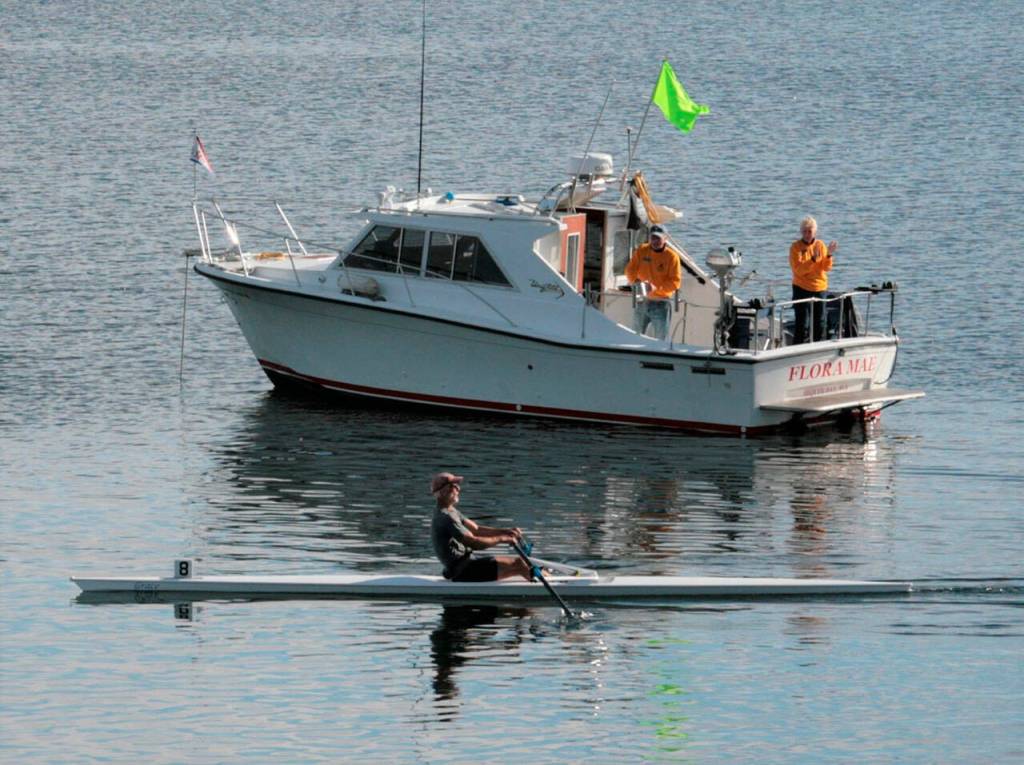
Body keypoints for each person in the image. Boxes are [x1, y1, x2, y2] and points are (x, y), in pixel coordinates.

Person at [430, 472, 533, 582]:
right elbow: (474, 542)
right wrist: (502, 539)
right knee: (521, 565)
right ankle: (540, 590)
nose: (458, 489)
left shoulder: (451, 510)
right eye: (453, 486)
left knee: (521, 563)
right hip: (462, 570)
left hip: (466, 564)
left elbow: (476, 529)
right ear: (442, 492)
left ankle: (540, 578)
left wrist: (507, 532)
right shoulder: (446, 517)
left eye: (457, 485)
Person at [625, 224, 682, 340]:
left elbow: (675, 282)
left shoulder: (672, 257)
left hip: (661, 303)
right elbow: (630, 269)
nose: (655, 241)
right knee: (635, 335)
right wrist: (635, 282)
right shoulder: (642, 250)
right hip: (642, 301)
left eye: (658, 238)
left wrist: (656, 288)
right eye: (653, 238)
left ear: (665, 239)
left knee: (661, 338)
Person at [789, 216, 838, 344]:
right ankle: (798, 349)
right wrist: (812, 260)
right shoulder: (796, 247)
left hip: (819, 288)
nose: (807, 234)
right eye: (804, 231)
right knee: (802, 323)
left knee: (820, 322)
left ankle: (819, 347)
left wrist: (829, 255)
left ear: (815, 232)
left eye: (809, 231)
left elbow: (826, 268)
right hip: (801, 287)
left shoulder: (820, 245)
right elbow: (798, 270)